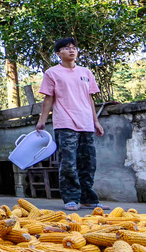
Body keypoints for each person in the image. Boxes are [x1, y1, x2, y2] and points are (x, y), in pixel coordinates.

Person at [35, 37, 105, 211]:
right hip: (65, 123)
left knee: (88, 163)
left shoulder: (86, 73)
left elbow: (90, 98)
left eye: (74, 48)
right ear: (58, 54)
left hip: (86, 123)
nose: (72, 50)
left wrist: (96, 121)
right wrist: (42, 121)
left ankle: (88, 198)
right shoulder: (52, 73)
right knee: (68, 164)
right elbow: (48, 98)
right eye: (66, 48)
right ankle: (71, 198)